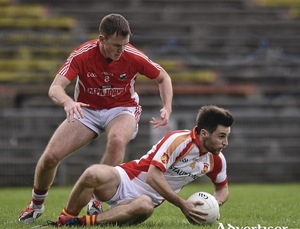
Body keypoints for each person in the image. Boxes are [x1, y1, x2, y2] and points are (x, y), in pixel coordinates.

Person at [18, 13, 173, 223]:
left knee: (117, 141)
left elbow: (163, 77)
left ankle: (97, 200)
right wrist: (68, 102)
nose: (121, 50)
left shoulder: (133, 55)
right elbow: (55, 88)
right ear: (102, 39)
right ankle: (36, 205)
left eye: (125, 44)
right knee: (51, 157)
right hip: (87, 110)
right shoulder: (83, 54)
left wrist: (166, 106)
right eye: (117, 45)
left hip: (122, 108)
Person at [53, 105, 234, 227]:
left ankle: (81, 223)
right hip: (125, 179)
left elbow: (222, 188)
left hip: (144, 201)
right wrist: (183, 204)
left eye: (226, 136)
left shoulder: (216, 159)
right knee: (92, 173)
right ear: (204, 133)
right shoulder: (178, 141)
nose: (225, 142)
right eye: (221, 136)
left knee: (145, 206)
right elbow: (152, 176)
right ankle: (65, 218)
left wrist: (213, 205)